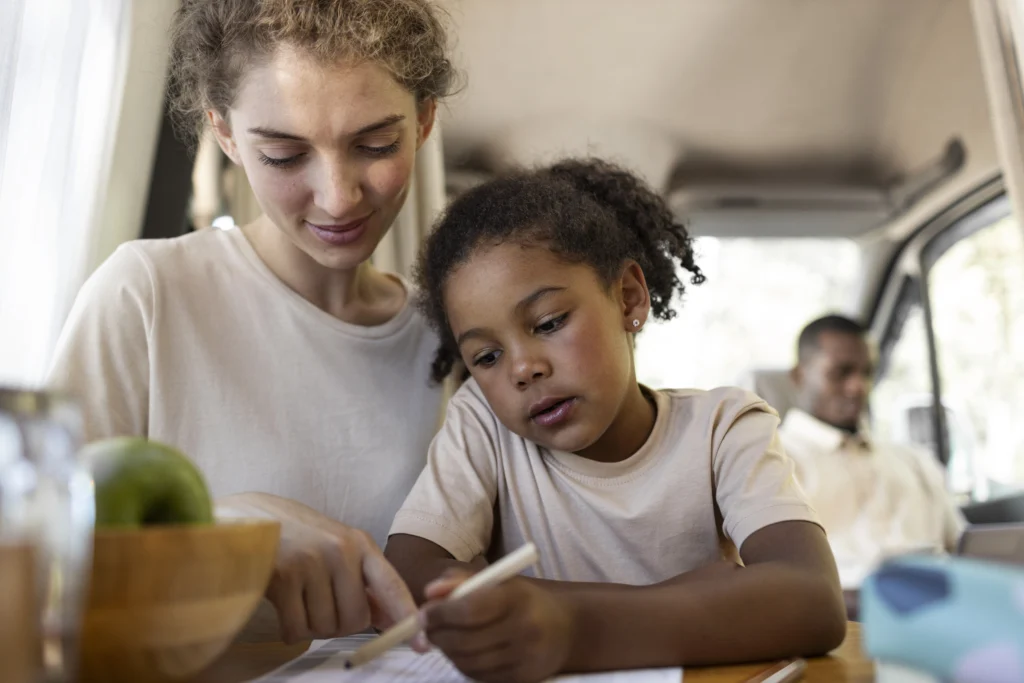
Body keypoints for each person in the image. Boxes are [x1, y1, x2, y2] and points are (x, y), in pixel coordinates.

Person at [47, 0, 455, 645]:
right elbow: (30, 557)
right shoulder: (149, 294)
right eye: (286, 156)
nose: (338, 196)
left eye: (375, 145)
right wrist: (219, 532)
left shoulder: (449, 336)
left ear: (424, 121)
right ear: (227, 134)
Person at [384, 158, 847, 682]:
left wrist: (572, 627)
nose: (522, 368)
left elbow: (814, 598)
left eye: (549, 322)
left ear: (629, 296)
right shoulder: (484, 424)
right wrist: (703, 598)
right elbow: (409, 572)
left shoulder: (724, 427)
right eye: (486, 357)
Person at [779, 314, 965, 619]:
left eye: (867, 373)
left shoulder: (915, 461)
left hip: (951, 619)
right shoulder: (775, 462)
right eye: (841, 373)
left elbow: (962, 547)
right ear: (799, 376)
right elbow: (776, 583)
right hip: (845, 628)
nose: (858, 386)